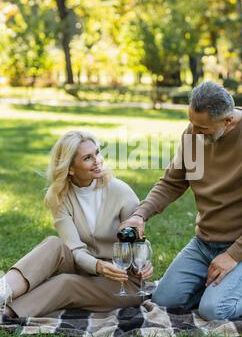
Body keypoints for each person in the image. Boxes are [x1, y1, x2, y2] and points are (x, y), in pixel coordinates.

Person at [121, 81, 242, 321]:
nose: (193, 132)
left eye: (201, 127)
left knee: (214, 310)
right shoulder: (194, 134)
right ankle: (225, 284)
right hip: (205, 242)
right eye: (192, 123)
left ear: (227, 121)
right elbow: (172, 182)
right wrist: (139, 214)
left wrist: (233, 256)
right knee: (165, 301)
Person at [0, 130, 152, 319]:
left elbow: (139, 241)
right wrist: (98, 266)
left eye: (97, 153)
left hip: (122, 281)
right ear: (70, 168)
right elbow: (75, 250)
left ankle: (7, 312)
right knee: (53, 244)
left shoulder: (120, 191)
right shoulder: (61, 197)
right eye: (88, 158)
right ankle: (2, 292)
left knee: (66, 283)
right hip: (86, 267)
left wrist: (143, 262)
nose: (97, 160)